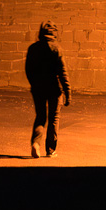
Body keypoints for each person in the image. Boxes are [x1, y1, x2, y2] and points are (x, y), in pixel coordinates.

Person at [25, 20, 71, 158]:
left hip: (38, 88)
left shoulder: (33, 48)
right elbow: (63, 73)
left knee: (40, 116)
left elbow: (28, 70)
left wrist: (34, 84)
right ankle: (50, 150)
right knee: (53, 119)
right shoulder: (56, 48)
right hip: (54, 89)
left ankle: (36, 143)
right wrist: (68, 92)